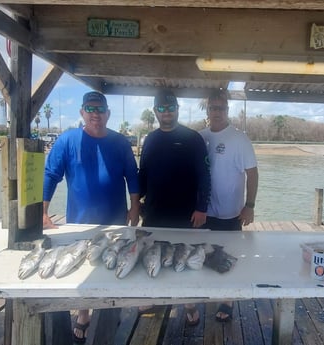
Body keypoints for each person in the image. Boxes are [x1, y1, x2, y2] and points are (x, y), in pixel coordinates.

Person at [42, 91, 139, 344]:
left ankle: (108, 310)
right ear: (82, 112)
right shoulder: (67, 140)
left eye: (100, 109)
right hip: (80, 220)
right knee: (83, 268)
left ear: (108, 113)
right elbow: (51, 175)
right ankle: (83, 314)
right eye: (90, 108)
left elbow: (133, 176)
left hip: (115, 219)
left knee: (111, 265)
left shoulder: (120, 142)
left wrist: (135, 207)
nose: (95, 113)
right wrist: (42, 211)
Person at [138, 89, 211, 326]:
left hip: (186, 212)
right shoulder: (149, 139)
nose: (166, 112)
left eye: (170, 107)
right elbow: (143, 174)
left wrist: (202, 207)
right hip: (154, 211)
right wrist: (138, 203)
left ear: (177, 109)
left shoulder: (193, 138)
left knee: (185, 256)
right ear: (155, 112)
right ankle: (153, 297)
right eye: (161, 108)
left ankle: (188, 302)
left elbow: (204, 175)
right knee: (153, 253)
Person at [199, 89, 258, 322]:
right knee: (204, 253)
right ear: (207, 110)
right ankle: (209, 293)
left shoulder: (239, 138)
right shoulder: (200, 137)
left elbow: (252, 174)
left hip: (231, 212)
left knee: (229, 256)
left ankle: (227, 301)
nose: (217, 112)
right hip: (204, 211)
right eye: (212, 107)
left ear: (227, 110)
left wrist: (250, 205)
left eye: (221, 108)